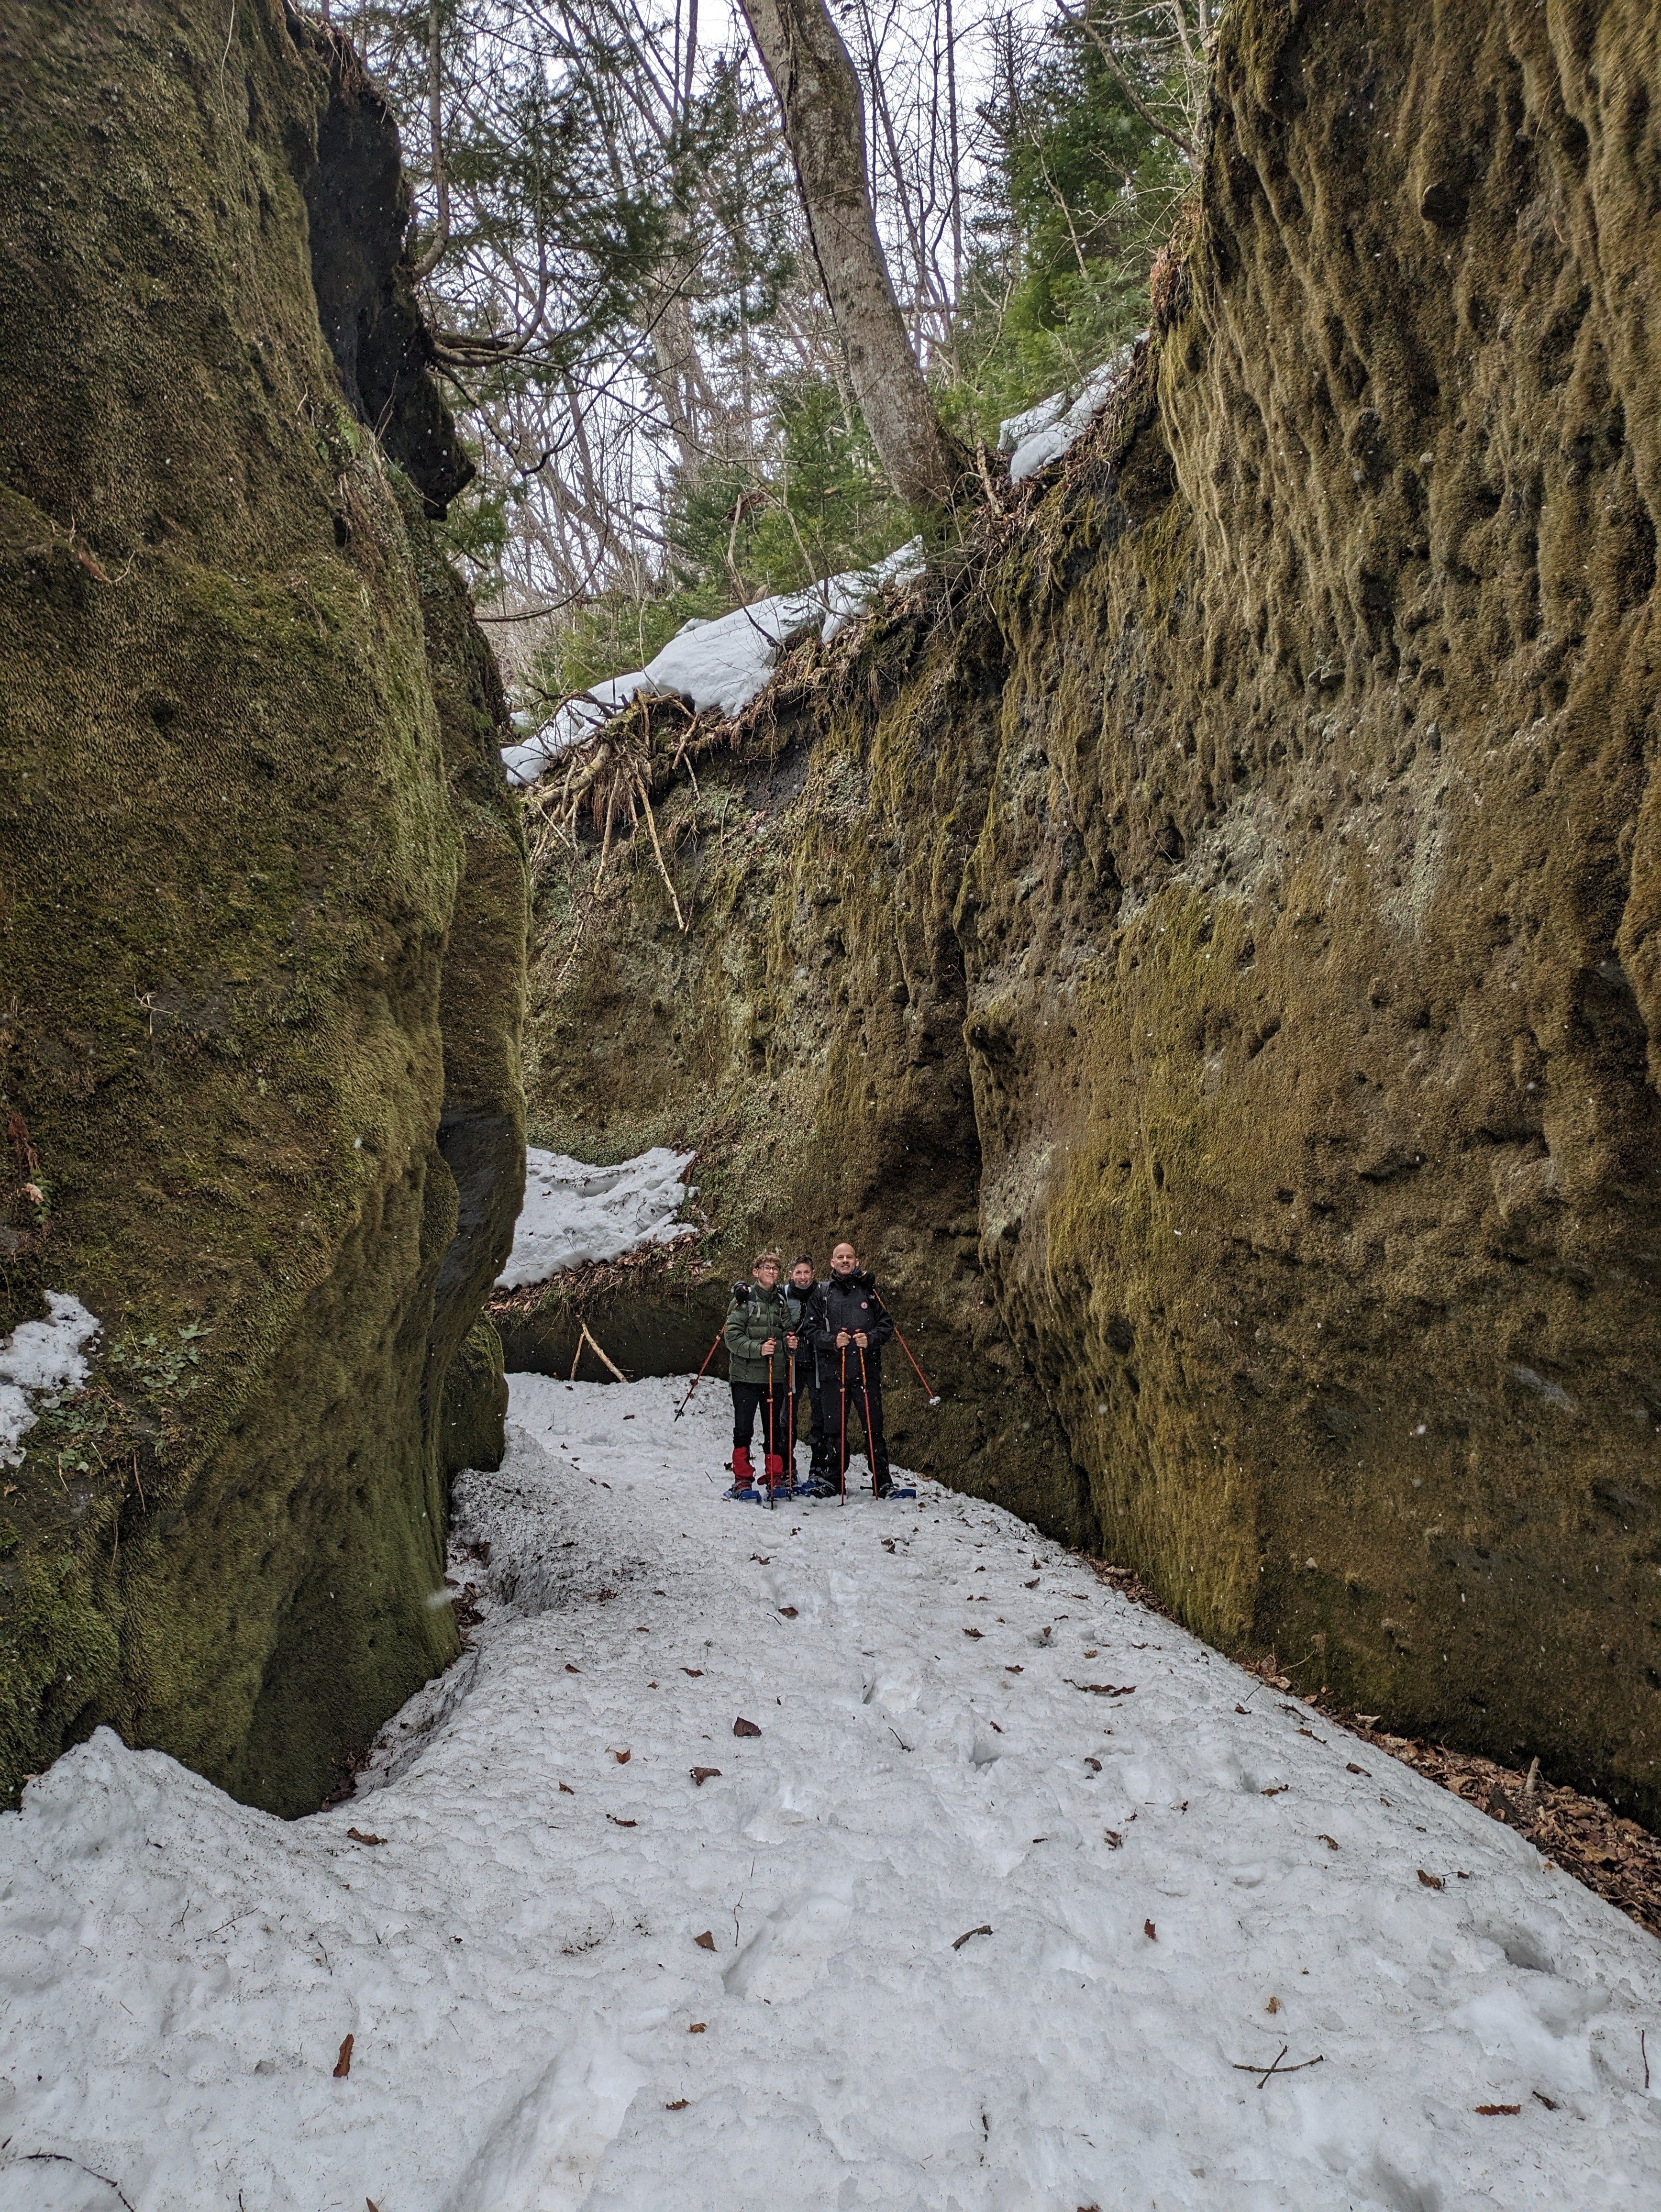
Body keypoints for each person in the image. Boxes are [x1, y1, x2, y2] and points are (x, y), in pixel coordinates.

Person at [811, 1239, 896, 1497]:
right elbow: (811, 1331)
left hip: (864, 1370)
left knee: (873, 1426)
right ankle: (832, 1479)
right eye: (840, 1257)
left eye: (850, 1257)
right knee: (834, 1427)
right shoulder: (822, 1293)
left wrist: (869, 1339)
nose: (845, 1261)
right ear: (832, 1263)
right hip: (832, 1371)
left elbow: (887, 1325)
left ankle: (882, 1480)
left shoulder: (870, 1292)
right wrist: (832, 1341)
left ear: (857, 1262)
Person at [722, 1251, 792, 1500]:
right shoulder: (744, 1301)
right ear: (756, 1272)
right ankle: (742, 1479)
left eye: (775, 1268)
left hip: (774, 1378)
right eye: (766, 1268)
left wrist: (790, 1343)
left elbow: (787, 1332)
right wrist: (759, 1349)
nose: (771, 1272)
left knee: (774, 1429)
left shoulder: (781, 1302)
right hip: (745, 1378)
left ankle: (775, 1476)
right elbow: (731, 1337)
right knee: (744, 1429)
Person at [782, 1254, 823, 1491]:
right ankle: (788, 1468)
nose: (803, 1277)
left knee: (819, 1416)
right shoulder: (783, 1294)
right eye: (799, 1272)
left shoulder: (823, 1292)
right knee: (787, 1417)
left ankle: (818, 1468)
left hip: (817, 1362)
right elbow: (760, 1293)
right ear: (791, 1275)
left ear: (813, 1274)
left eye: (807, 1272)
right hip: (792, 1363)